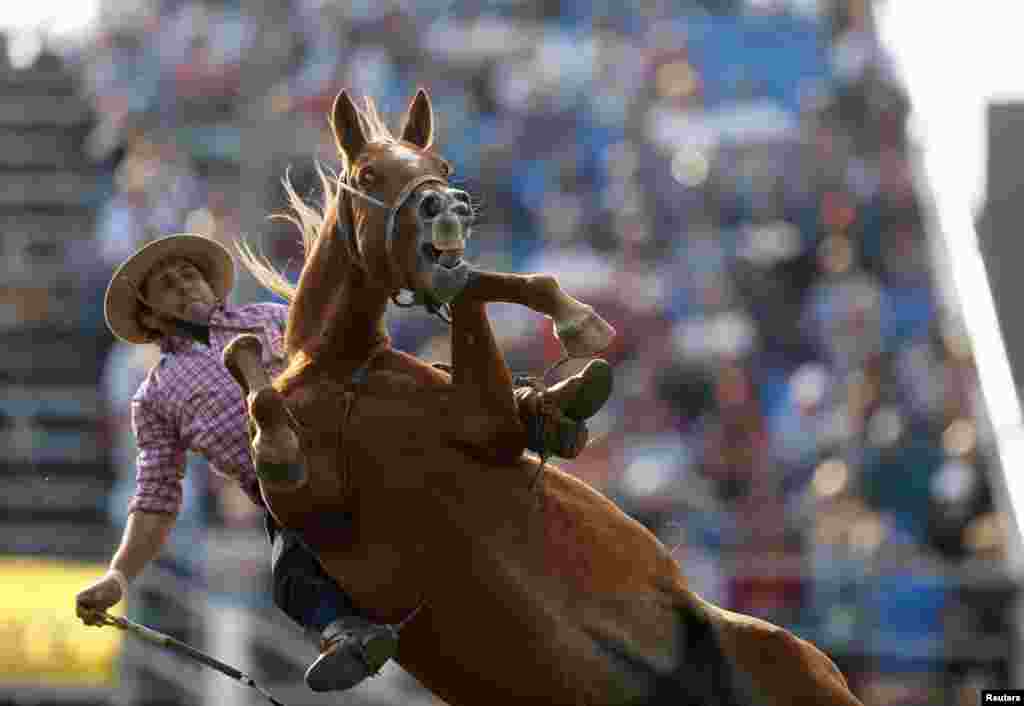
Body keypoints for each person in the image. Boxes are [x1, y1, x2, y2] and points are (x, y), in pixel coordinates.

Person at [75, 233, 613, 692]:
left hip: (363, 435)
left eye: (189, 274)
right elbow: (156, 496)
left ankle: (533, 412)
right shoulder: (156, 394)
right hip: (291, 491)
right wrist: (119, 575)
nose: (185, 284)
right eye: (167, 284)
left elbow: (354, 357)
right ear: (149, 313)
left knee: (402, 380)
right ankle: (345, 633)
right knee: (289, 573)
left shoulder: (275, 318)